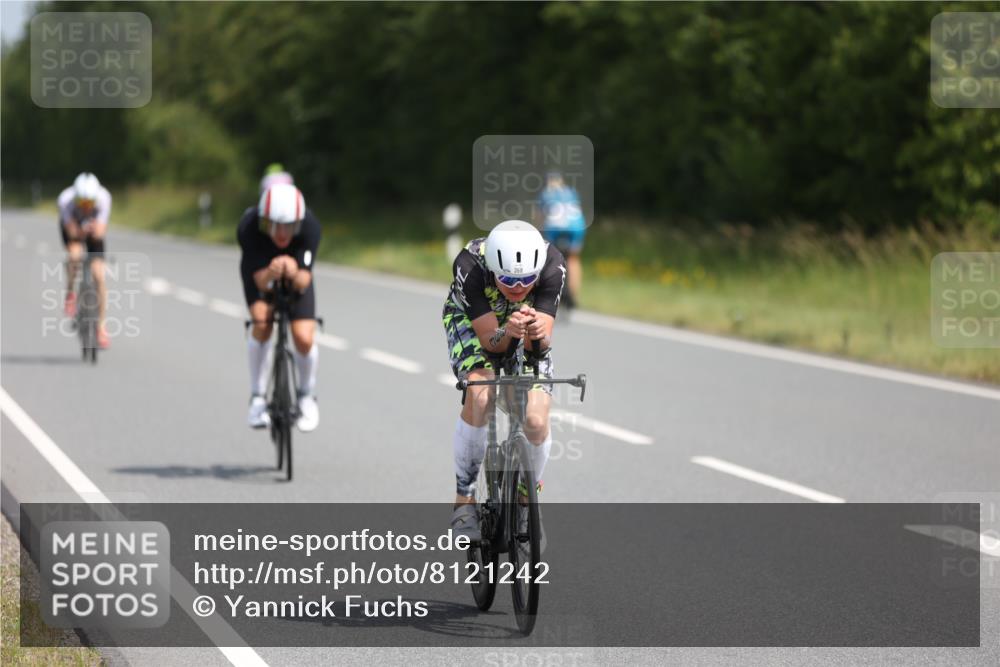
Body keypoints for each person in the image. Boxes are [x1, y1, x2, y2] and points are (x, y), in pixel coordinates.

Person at [442, 220, 567, 539]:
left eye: (527, 280)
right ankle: (464, 500)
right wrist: (507, 332)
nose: (519, 287)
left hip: (521, 326)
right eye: (509, 279)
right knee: (481, 394)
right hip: (474, 324)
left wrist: (535, 334)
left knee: (535, 420)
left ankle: (526, 500)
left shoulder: (552, 265)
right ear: (494, 269)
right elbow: (490, 343)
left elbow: (541, 347)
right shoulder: (470, 266)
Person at [238, 183, 322, 432]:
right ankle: (257, 396)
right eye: (275, 225)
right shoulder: (249, 228)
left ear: (299, 223)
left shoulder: (310, 228)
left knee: (303, 337)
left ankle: (306, 395)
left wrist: (294, 272)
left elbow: (304, 281)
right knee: (262, 321)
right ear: (264, 221)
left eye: (289, 226)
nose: (282, 233)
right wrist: (270, 273)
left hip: (296, 272)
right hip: (260, 271)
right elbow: (259, 281)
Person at [58, 172, 112, 348]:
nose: (86, 207)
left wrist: (93, 230)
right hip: (73, 227)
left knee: (99, 276)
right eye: (82, 203)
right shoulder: (65, 200)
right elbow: (71, 232)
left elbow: (100, 233)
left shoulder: (104, 198)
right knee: (75, 256)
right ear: (76, 199)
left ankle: (101, 327)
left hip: (94, 231)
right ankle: (70, 293)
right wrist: (80, 231)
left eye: (90, 203)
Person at [537, 171, 586, 308]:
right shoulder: (571, 192)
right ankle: (574, 295)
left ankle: (549, 292)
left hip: (554, 227)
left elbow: (540, 217)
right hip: (576, 227)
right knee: (573, 259)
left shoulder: (545, 193)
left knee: (550, 259)